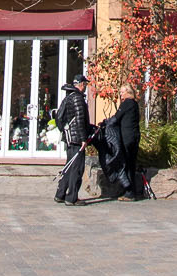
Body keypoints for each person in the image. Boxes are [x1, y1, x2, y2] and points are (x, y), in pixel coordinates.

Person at [99, 86, 143, 200]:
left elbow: (116, 118)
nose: (121, 94)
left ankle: (129, 192)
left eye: (122, 92)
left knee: (126, 164)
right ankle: (130, 191)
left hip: (127, 138)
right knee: (131, 164)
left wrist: (104, 123)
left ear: (128, 92)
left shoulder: (127, 103)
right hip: (134, 136)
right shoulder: (134, 104)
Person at [53, 74, 91, 205]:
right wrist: (83, 139)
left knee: (69, 166)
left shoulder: (68, 97)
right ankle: (72, 197)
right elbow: (80, 120)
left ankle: (60, 194)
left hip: (69, 137)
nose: (85, 87)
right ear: (80, 84)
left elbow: (59, 116)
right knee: (77, 168)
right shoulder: (78, 98)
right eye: (85, 84)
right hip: (76, 138)